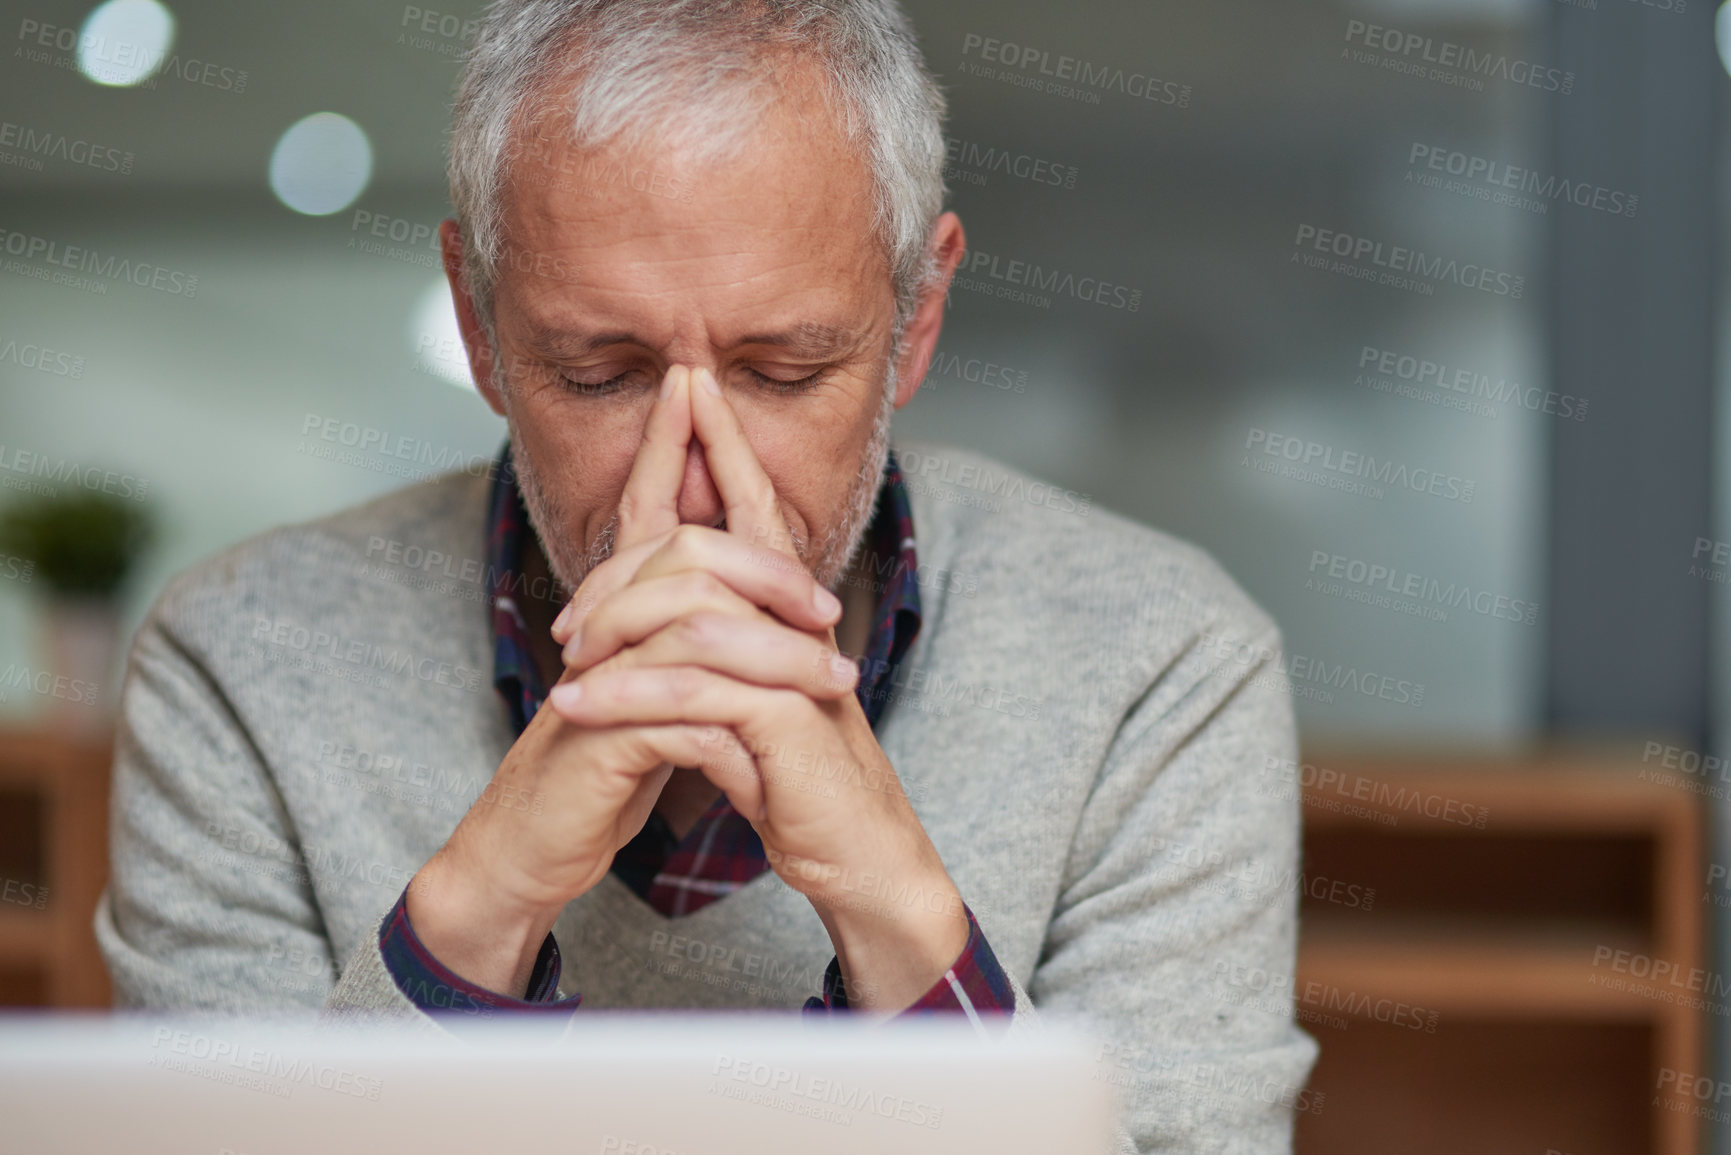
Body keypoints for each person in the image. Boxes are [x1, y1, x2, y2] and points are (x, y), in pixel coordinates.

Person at [95, 1, 1317, 1149]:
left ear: (918, 317)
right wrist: (483, 906)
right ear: (479, 328)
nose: (687, 486)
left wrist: (889, 901)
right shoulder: (243, 664)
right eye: (598, 373)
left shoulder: (1163, 665)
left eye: (782, 372)